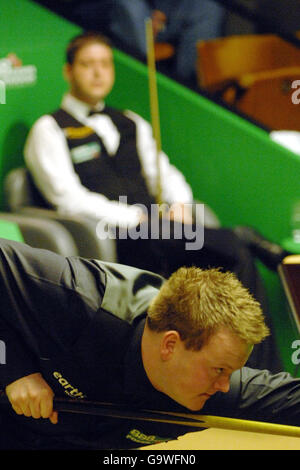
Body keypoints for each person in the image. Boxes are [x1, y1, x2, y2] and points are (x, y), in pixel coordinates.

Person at [24, 31, 287, 372]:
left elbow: (165, 172)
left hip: (159, 228)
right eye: (88, 64)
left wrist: (180, 203)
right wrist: (134, 217)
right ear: (68, 71)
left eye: (105, 64)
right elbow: (67, 198)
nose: (98, 72)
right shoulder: (49, 129)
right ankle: (259, 372)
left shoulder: (131, 121)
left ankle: (233, 369)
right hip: (114, 232)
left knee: (233, 259)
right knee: (234, 251)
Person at [0, 238, 299, 450]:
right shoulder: (82, 299)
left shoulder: (212, 389)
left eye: (231, 372)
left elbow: (288, 399)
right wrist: (13, 368)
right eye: (219, 369)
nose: (225, 384)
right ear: (170, 345)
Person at [72, 0, 226, 84]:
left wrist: (162, 12)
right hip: (110, 11)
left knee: (208, 8)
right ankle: (140, 82)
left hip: (161, 11)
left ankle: (186, 85)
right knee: (132, 8)